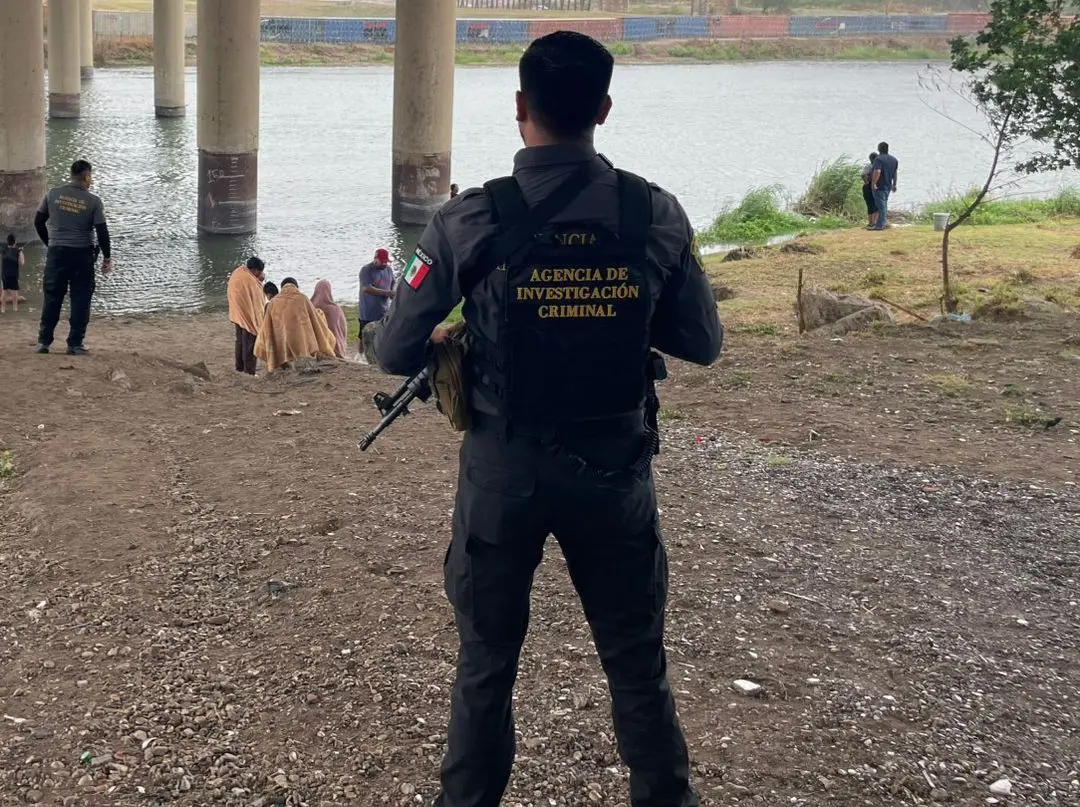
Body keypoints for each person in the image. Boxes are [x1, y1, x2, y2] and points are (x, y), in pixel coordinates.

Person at [374, 30, 722, 807]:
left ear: (520, 107)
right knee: (636, 664)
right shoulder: (653, 213)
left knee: (486, 664)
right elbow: (702, 341)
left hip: (505, 472)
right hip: (616, 468)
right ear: (603, 109)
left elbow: (394, 350)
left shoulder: (468, 219)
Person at [33, 159, 112, 355]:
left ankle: (43, 342)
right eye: (90, 176)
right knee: (80, 299)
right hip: (81, 255)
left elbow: (38, 222)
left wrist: (50, 243)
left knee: (52, 297)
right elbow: (102, 231)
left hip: (56, 253)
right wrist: (107, 257)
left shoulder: (52, 194)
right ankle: (75, 344)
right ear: (86, 176)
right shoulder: (93, 201)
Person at [255, 277, 338, 372]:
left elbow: (266, 327)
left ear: (281, 288)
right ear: (296, 287)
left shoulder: (272, 303)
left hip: (281, 346)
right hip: (302, 347)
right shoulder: (303, 298)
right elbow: (316, 320)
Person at [227, 257, 267, 375]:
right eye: (259, 272)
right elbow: (258, 300)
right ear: (254, 270)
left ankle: (239, 367)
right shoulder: (250, 281)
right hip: (248, 316)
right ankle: (249, 371)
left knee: (240, 341)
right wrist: (260, 282)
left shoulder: (238, 272)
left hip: (237, 313)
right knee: (250, 343)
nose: (260, 274)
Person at [357, 248, 395, 358]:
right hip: (368, 310)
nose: (384, 264)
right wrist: (387, 293)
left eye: (386, 262)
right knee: (363, 335)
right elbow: (367, 288)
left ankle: (379, 354)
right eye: (382, 261)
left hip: (384, 309)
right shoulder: (366, 270)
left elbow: (393, 282)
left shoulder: (388, 270)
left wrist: (392, 291)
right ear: (375, 259)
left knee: (382, 332)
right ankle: (360, 355)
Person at [310, 279, 348, 359]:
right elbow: (343, 329)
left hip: (315, 350)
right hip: (336, 348)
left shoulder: (311, 307)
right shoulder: (335, 309)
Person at [870, 141, 899, 231]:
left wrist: (874, 183)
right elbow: (895, 173)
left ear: (879, 149)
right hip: (888, 186)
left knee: (881, 206)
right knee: (884, 205)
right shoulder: (894, 160)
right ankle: (884, 223)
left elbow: (877, 171)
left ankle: (879, 225)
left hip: (879, 186)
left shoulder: (878, 159)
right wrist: (894, 184)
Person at [1, 234, 25, 314]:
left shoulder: (3, 250)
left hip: (4, 274)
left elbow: (9, 252)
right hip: (13, 274)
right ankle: (15, 309)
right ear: (14, 242)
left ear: (7, 241)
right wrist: (21, 252)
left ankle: (3, 309)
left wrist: (18, 250)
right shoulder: (18, 251)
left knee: (4, 291)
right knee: (14, 292)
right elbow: (22, 263)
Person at [861, 151, 879, 230]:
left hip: (869, 186)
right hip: (873, 187)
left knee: (871, 205)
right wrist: (867, 182)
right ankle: (873, 222)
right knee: (874, 205)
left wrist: (866, 182)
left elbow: (863, 175)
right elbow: (863, 175)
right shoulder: (875, 166)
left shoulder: (868, 166)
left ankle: (872, 223)